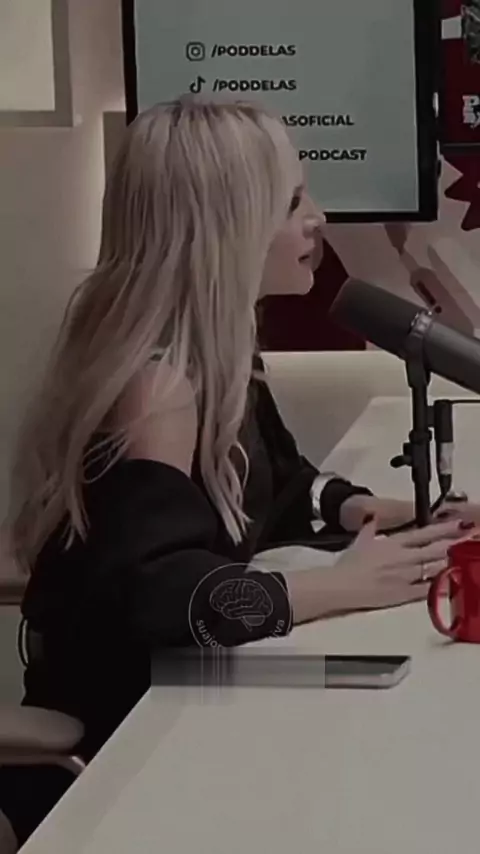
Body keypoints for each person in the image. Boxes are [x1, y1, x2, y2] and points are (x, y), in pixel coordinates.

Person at [7, 98, 478, 775]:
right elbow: (159, 596)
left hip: (182, 697)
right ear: (224, 229)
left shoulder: (217, 354)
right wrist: (342, 586)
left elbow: (279, 485)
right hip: (127, 743)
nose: (317, 217)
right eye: (292, 203)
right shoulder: (158, 390)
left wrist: (381, 512)